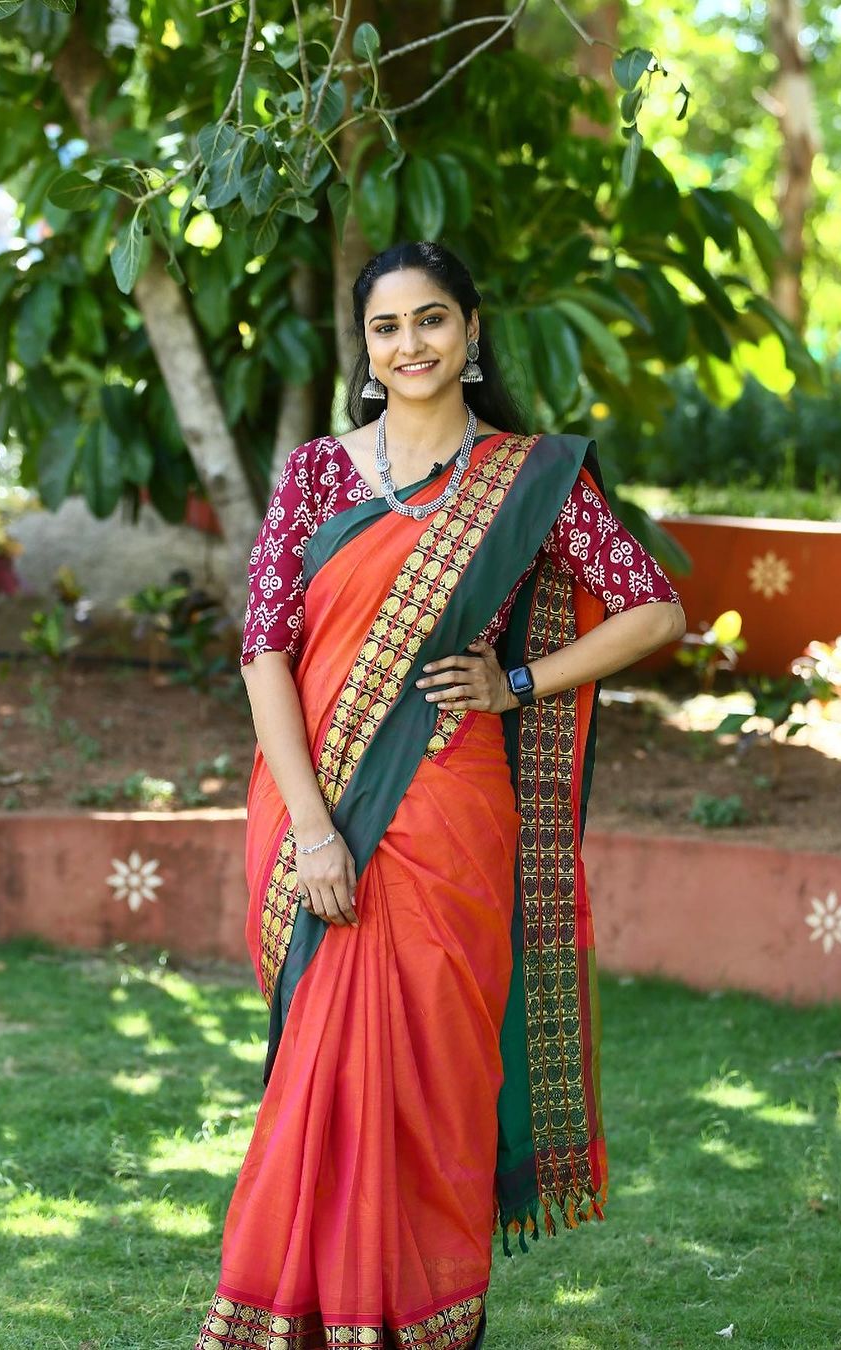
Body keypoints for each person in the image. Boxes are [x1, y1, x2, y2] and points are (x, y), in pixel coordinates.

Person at [194, 241, 685, 1350]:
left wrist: (517, 683)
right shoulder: (318, 472)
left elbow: (651, 610)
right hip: (311, 810)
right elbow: (263, 650)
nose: (408, 344)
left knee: (430, 1080)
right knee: (320, 1072)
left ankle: (419, 1321)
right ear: (364, 349)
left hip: (451, 812)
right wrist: (316, 829)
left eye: (430, 321)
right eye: (385, 327)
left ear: (470, 333)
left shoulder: (529, 475)